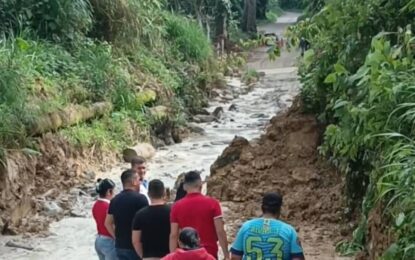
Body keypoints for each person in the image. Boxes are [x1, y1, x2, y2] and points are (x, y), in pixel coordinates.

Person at [169, 171, 229, 259]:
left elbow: (174, 235)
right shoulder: (213, 203)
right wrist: (226, 255)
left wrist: (172, 256)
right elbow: (220, 231)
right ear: (201, 185)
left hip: (186, 255)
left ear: (184, 187)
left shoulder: (176, 206)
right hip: (208, 254)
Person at [230, 192, 305, 260]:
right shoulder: (289, 230)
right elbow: (297, 258)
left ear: (262, 207)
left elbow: (235, 257)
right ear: (279, 209)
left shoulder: (246, 227)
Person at [105, 169, 149, 260]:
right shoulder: (141, 199)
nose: (140, 183)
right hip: (136, 246)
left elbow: (107, 223)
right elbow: (147, 222)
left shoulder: (114, 200)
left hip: (120, 246)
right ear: (133, 182)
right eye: (138, 180)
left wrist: (116, 237)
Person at [132, 179, 171, 260]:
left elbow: (135, 241)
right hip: (168, 256)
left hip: (148, 256)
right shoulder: (171, 211)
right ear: (164, 193)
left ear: (148, 194)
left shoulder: (140, 214)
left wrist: (143, 256)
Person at [92, 178, 117, 260]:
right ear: (109, 192)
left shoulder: (96, 205)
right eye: (114, 191)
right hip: (109, 241)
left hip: (99, 240)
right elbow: (111, 224)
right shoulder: (109, 207)